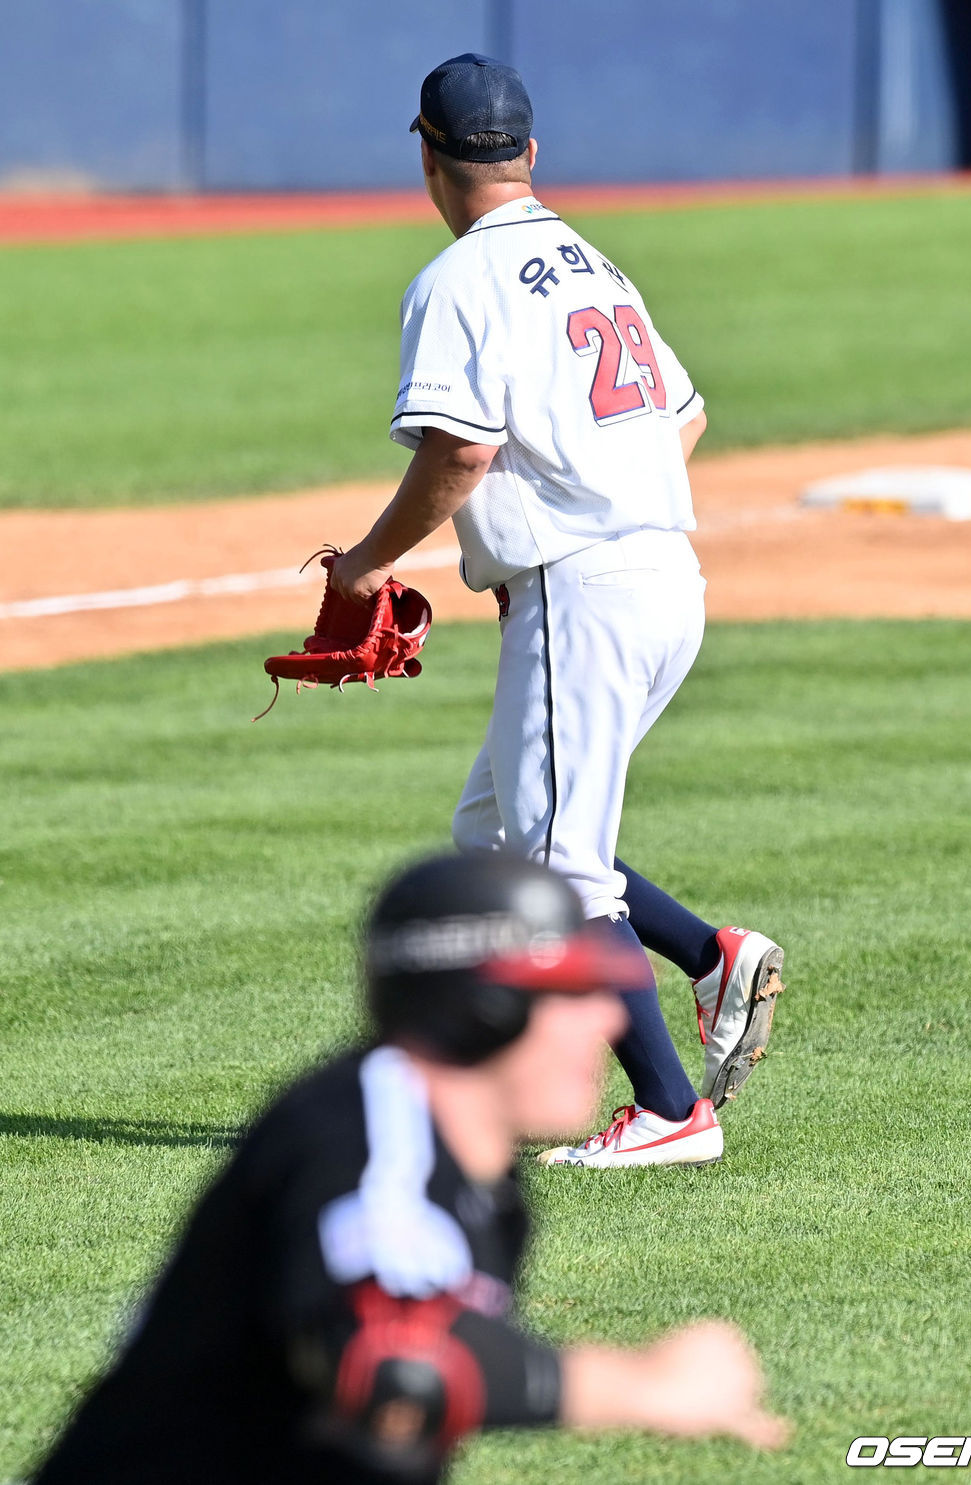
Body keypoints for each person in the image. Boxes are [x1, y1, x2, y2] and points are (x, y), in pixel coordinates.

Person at [331, 53, 785, 1170]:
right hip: (663, 580)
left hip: (584, 593)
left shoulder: (458, 281)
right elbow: (683, 418)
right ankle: (707, 953)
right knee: (497, 839)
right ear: (529, 154)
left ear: (427, 156)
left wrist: (363, 566)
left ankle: (673, 1110)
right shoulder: (596, 263)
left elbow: (461, 450)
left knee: (554, 871)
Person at [30, 854, 789, 1484]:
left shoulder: (473, 1168)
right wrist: (643, 1385)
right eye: (574, 991)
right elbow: (396, 1366)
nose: (609, 1017)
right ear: (483, 1006)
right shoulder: (370, 1130)